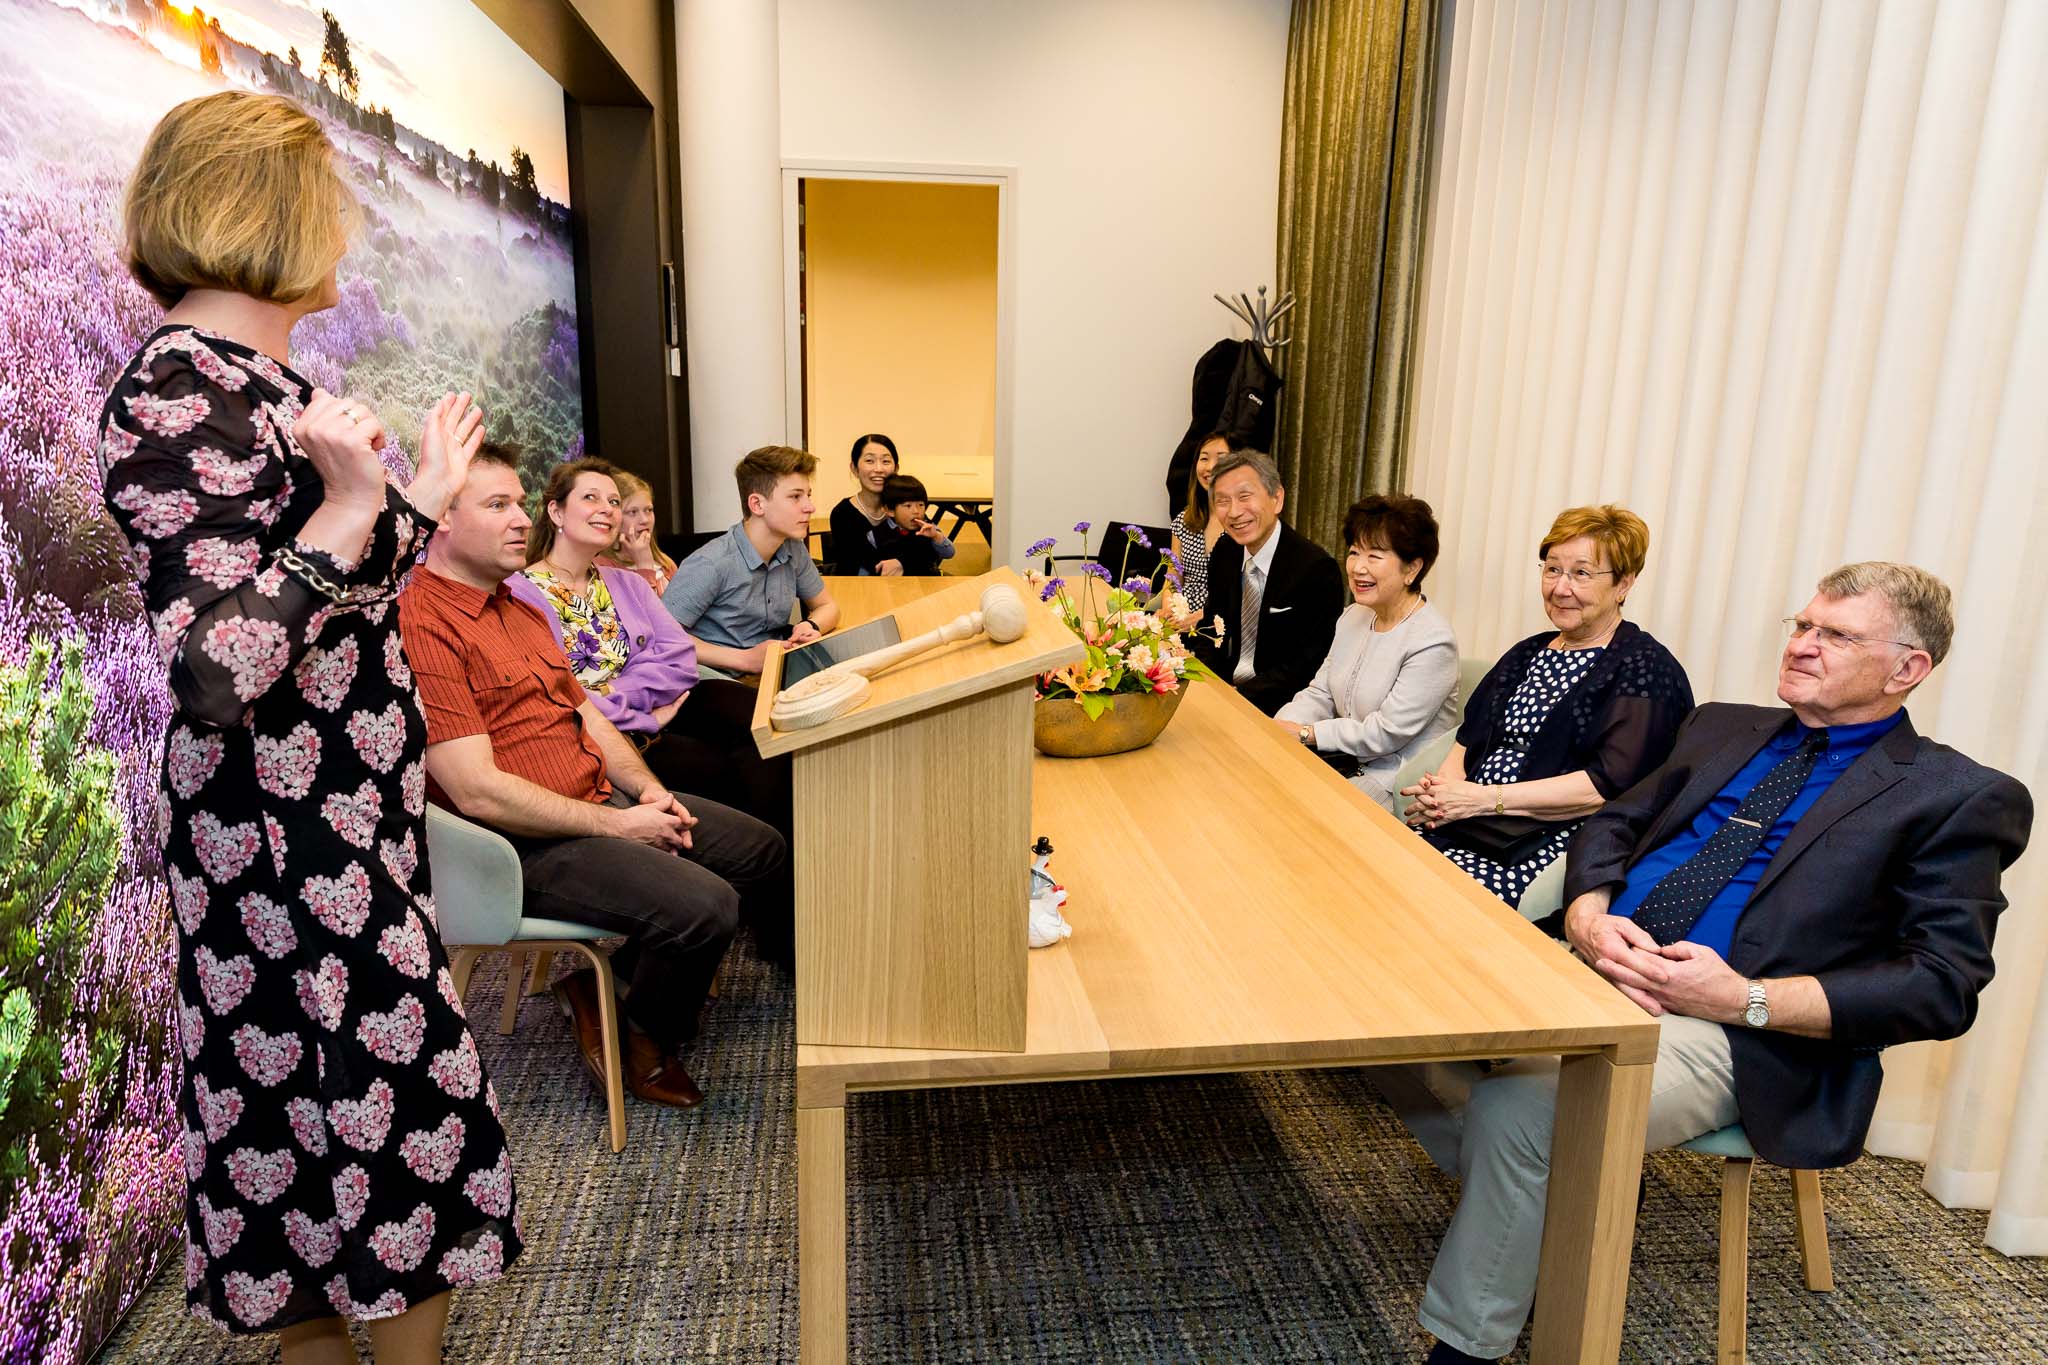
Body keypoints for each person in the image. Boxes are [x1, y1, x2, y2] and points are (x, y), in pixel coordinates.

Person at [100, 91, 518, 1359]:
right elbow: (221, 664)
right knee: (373, 1124)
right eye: (325, 200)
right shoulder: (180, 384)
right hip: (286, 854)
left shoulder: (251, 379)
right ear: (265, 212)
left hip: (331, 835)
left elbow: (317, 604)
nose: (346, 225)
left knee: (319, 1133)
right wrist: (354, 508)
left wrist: (414, 504)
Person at [1394, 562, 2032, 1364]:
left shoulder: (1955, 794)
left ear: (1909, 668)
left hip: (1737, 1031)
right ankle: (1519, 1197)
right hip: (1596, 957)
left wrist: (1745, 997)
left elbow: (1943, 986)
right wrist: (1589, 914)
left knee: (1521, 1113)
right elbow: (1612, 824)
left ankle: (1465, 1346)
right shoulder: (1727, 725)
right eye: (1801, 625)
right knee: (1393, 999)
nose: (1802, 646)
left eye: (1834, 635)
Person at [399, 447, 793, 1108]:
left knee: (759, 849)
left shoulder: (515, 607)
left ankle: (602, 983)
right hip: (515, 845)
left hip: (591, 798)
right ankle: (640, 1037)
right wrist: (622, 823)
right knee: (706, 904)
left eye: (520, 503)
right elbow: (475, 790)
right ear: (440, 517)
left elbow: (586, 715)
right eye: (498, 506)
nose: (521, 520)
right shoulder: (421, 622)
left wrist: (647, 789)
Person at [1402, 505, 1692, 915]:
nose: (1560, 587)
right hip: (1467, 819)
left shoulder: (1645, 669)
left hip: (1541, 841)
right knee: (1377, 871)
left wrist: (1484, 800)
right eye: (1552, 569)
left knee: (1432, 903)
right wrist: (1444, 794)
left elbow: (1602, 789)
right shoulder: (1527, 652)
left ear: (1624, 584)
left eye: (1581, 573)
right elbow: (1469, 738)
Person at [509, 453, 789, 832]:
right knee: (721, 770)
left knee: (758, 719)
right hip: (606, 731)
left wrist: (618, 691)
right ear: (556, 512)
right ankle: (764, 862)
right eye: (591, 498)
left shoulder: (627, 583)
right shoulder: (519, 594)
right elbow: (558, 693)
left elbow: (679, 657)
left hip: (660, 707)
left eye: (613, 502)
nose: (607, 510)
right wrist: (642, 712)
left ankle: (791, 863)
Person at [1274, 494, 1459, 808]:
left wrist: (1306, 733)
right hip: (1344, 759)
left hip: (1396, 779)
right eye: (1354, 552)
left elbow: (1385, 734)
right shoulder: (1353, 617)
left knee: (1297, 809)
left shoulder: (1432, 642)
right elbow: (1321, 692)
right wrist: (1279, 728)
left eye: (1374, 556)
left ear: (1412, 568)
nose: (1358, 567)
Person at [662, 445, 843, 676]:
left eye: (808, 495)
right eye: (795, 497)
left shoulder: (793, 548)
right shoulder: (712, 562)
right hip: (716, 679)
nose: (810, 507)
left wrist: (810, 625)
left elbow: (828, 606)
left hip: (769, 668)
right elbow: (663, 638)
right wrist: (745, 660)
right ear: (757, 504)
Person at [1191, 449, 1346, 716]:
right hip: (1226, 692)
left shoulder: (1316, 568)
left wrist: (1238, 699)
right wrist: (1207, 685)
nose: (1234, 512)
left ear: (1277, 499)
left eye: (1244, 496)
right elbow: (1210, 627)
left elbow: (1308, 663)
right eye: (1223, 501)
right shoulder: (1225, 550)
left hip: (1283, 706)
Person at [1170, 431, 1237, 614]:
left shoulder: (1243, 524)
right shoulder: (1184, 520)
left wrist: (1200, 618)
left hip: (1222, 621)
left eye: (1221, 458)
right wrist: (1169, 612)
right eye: (1204, 458)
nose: (1210, 467)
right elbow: (1173, 579)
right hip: (1181, 618)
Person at [827, 432, 902, 575]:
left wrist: (903, 562)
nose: (878, 469)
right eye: (869, 461)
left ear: (896, 469)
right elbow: (869, 560)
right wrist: (907, 561)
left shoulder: (906, 506)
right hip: (857, 589)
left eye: (885, 461)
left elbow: (931, 548)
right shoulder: (842, 514)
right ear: (854, 468)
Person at [595, 467, 677, 596]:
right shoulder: (602, 567)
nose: (644, 520)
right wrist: (644, 566)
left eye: (648, 510)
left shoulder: (665, 563)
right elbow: (638, 613)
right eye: (632, 512)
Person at [869, 473, 956, 577]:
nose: (916, 511)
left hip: (927, 581)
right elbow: (868, 567)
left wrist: (936, 536)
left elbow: (949, 553)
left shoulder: (928, 528)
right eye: (908, 506)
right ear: (890, 510)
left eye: (921, 505)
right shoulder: (877, 534)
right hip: (894, 585)